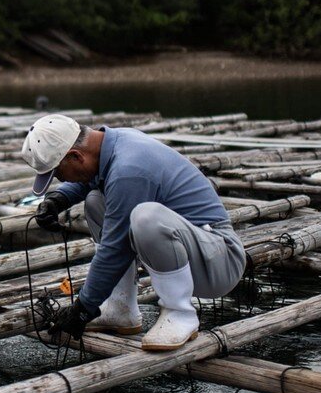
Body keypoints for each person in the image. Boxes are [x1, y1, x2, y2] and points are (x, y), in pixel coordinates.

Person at [21, 114, 245, 350]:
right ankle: (120, 308)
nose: (60, 178)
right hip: (191, 253)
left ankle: (180, 314)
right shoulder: (114, 142)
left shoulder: (129, 170)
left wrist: (83, 308)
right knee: (96, 200)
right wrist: (59, 198)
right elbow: (91, 173)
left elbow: (114, 250)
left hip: (219, 262)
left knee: (146, 218)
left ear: (75, 156)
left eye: (57, 173)